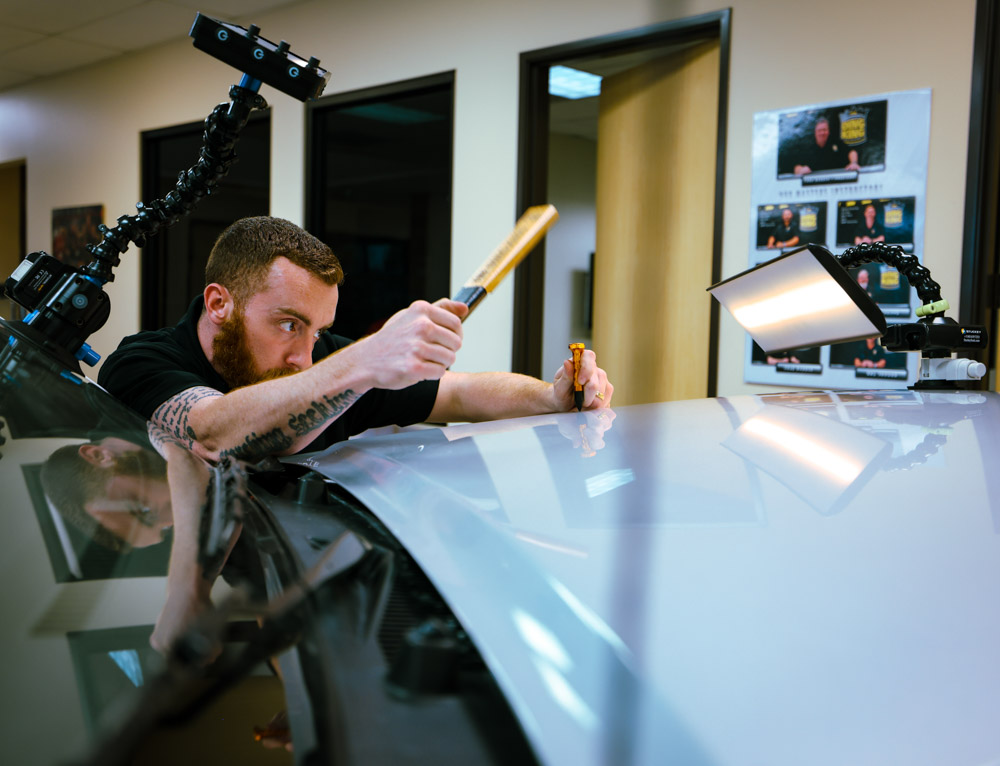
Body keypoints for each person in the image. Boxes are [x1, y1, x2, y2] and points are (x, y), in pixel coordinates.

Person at [98, 216, 614, 464]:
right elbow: (211, 431)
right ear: (219, 304)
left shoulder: (323, 359)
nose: (305, 356)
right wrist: (365, 360)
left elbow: (458, 392)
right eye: (288, 323)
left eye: (319, 330)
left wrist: (550, 398)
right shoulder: (142, 362)